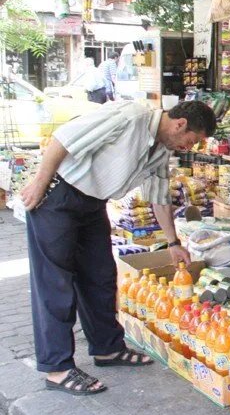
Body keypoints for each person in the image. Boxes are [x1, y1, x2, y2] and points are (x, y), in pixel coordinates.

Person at [19, 100, 216, 396]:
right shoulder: (130, 117)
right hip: (58, 196)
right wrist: (39, 182)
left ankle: (107, 349)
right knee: (55, 283)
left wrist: (173, 243)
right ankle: (57, 368)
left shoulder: (161, 149)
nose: (190, 147)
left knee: (100, 276)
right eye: (192, 140)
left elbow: (159, 196)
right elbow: (64, 138)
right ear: (180, 125)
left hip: (92, 203)